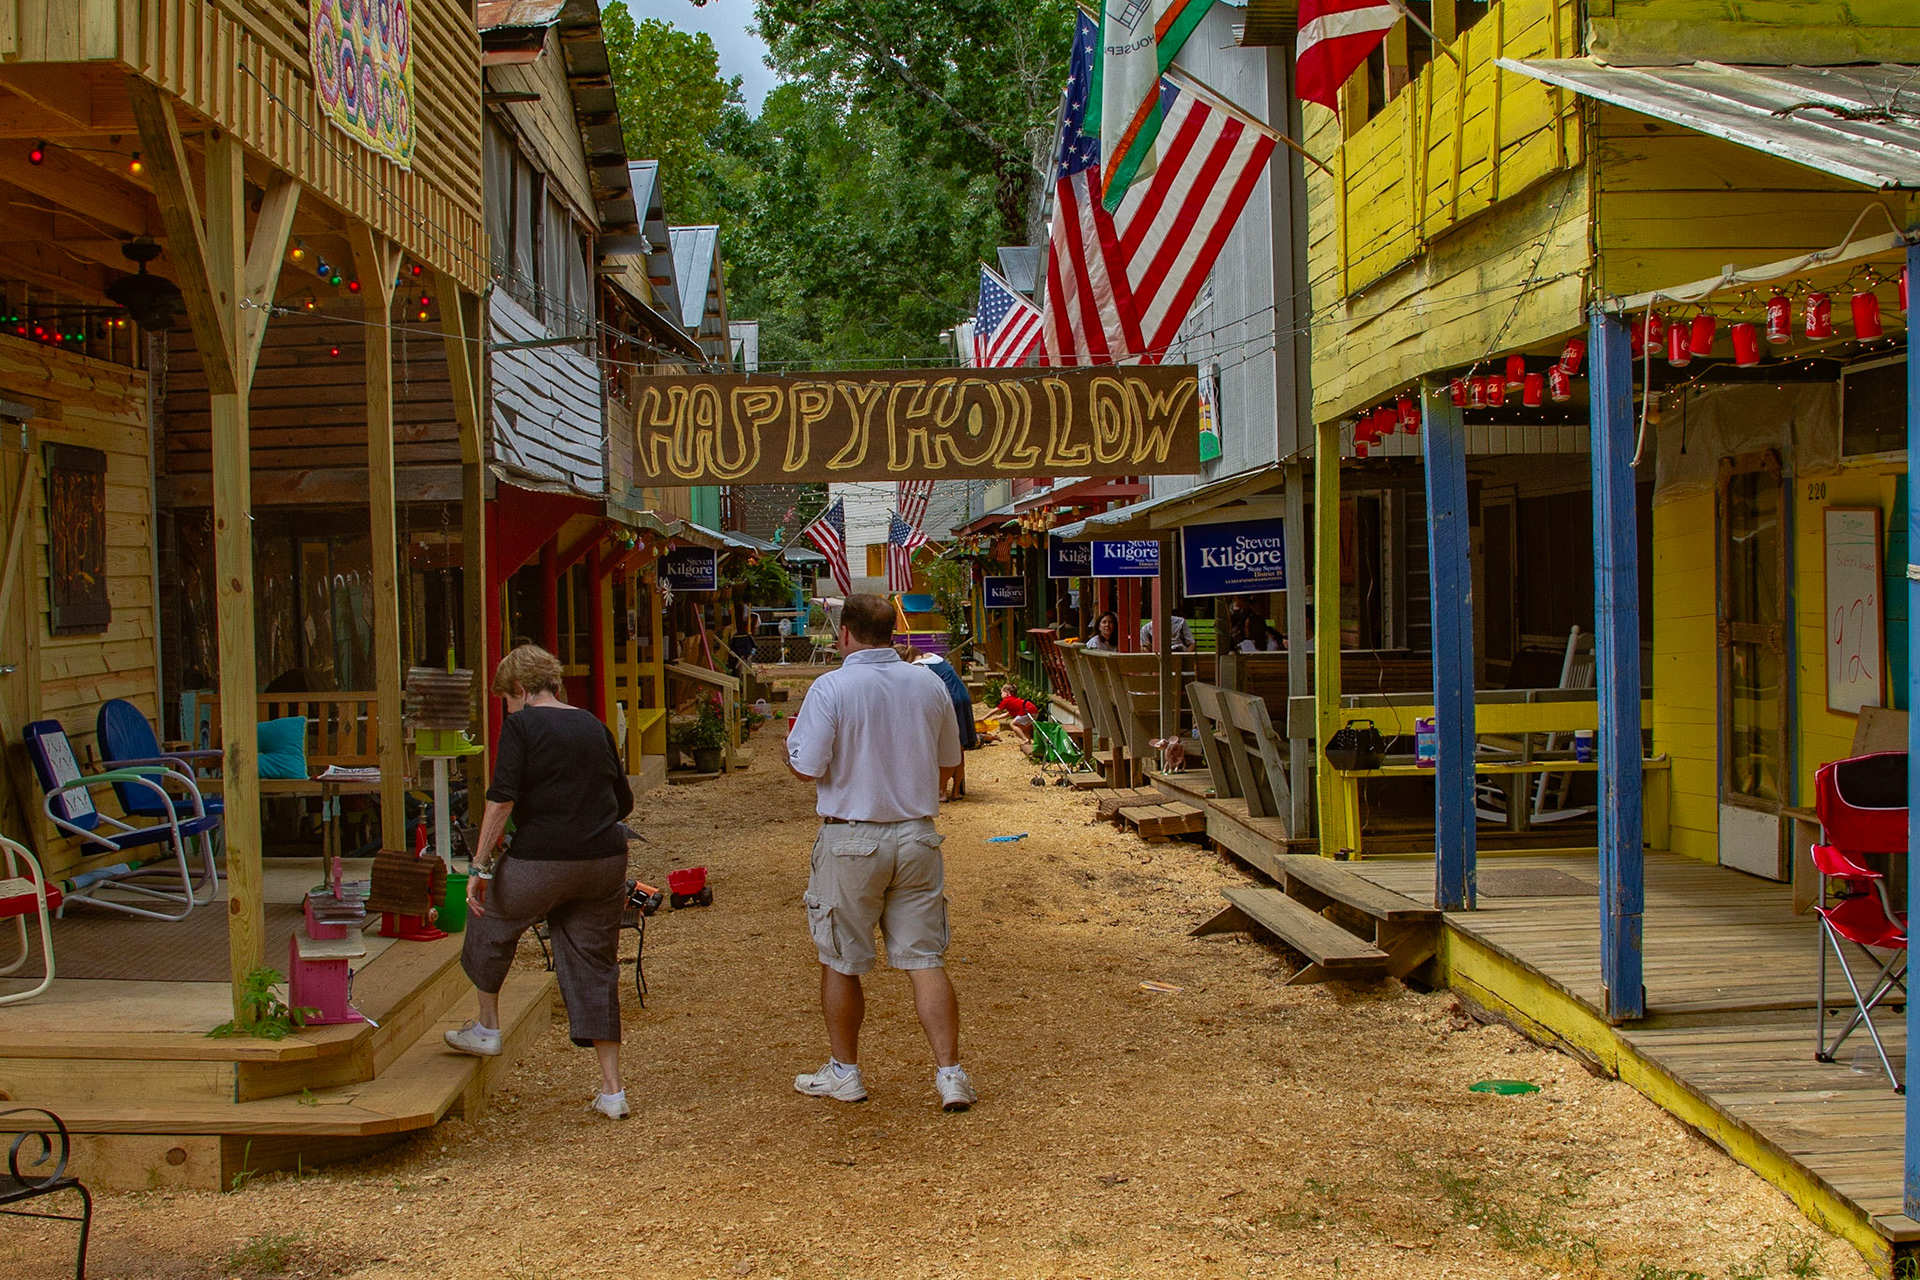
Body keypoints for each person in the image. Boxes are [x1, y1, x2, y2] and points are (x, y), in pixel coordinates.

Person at [786, 594, 975, 1111]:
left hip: (851, 834)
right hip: (916, 834)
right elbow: (949, 762)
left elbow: (807, 767)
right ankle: (950, 1074)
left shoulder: (832, 687)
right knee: (925, 958)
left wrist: (792, 753)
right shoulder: (928, 683)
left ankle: (845, 1071)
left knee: (841, 959)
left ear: (845, 633)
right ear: (892, 632)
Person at [446, 645, 636, 1120]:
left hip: (543, 860)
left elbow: (501, 799)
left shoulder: (522, 725)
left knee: (489, 917)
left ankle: (487, 1028)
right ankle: (612, 1090)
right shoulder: (593, 724)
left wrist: (480, 867)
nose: (508, 709)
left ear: (519, 689)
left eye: (507, 700)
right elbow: (624, 801)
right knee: (596, 963)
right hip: (605, 860)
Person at [895, 644, 975, 799]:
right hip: (962, 698)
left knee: (947, 746)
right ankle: (956, 791)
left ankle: (941, 790)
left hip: (951, 702)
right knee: (959, 747)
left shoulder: (919, 667)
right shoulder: (932, 657)